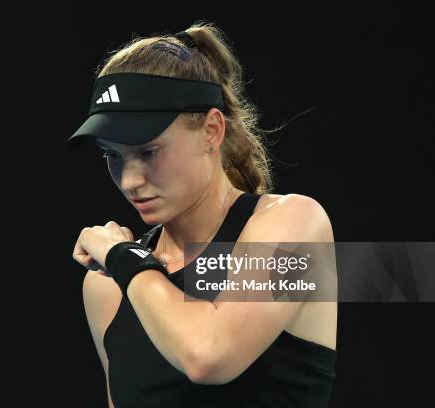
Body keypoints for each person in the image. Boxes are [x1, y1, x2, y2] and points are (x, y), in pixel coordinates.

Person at [69, 22, 337, 408]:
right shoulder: (105, 287)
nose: (129, 180)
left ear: (212, 130)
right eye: (112, 155)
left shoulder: (297, 222)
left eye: (148, 152)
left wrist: (127, 260)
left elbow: (209, 357)